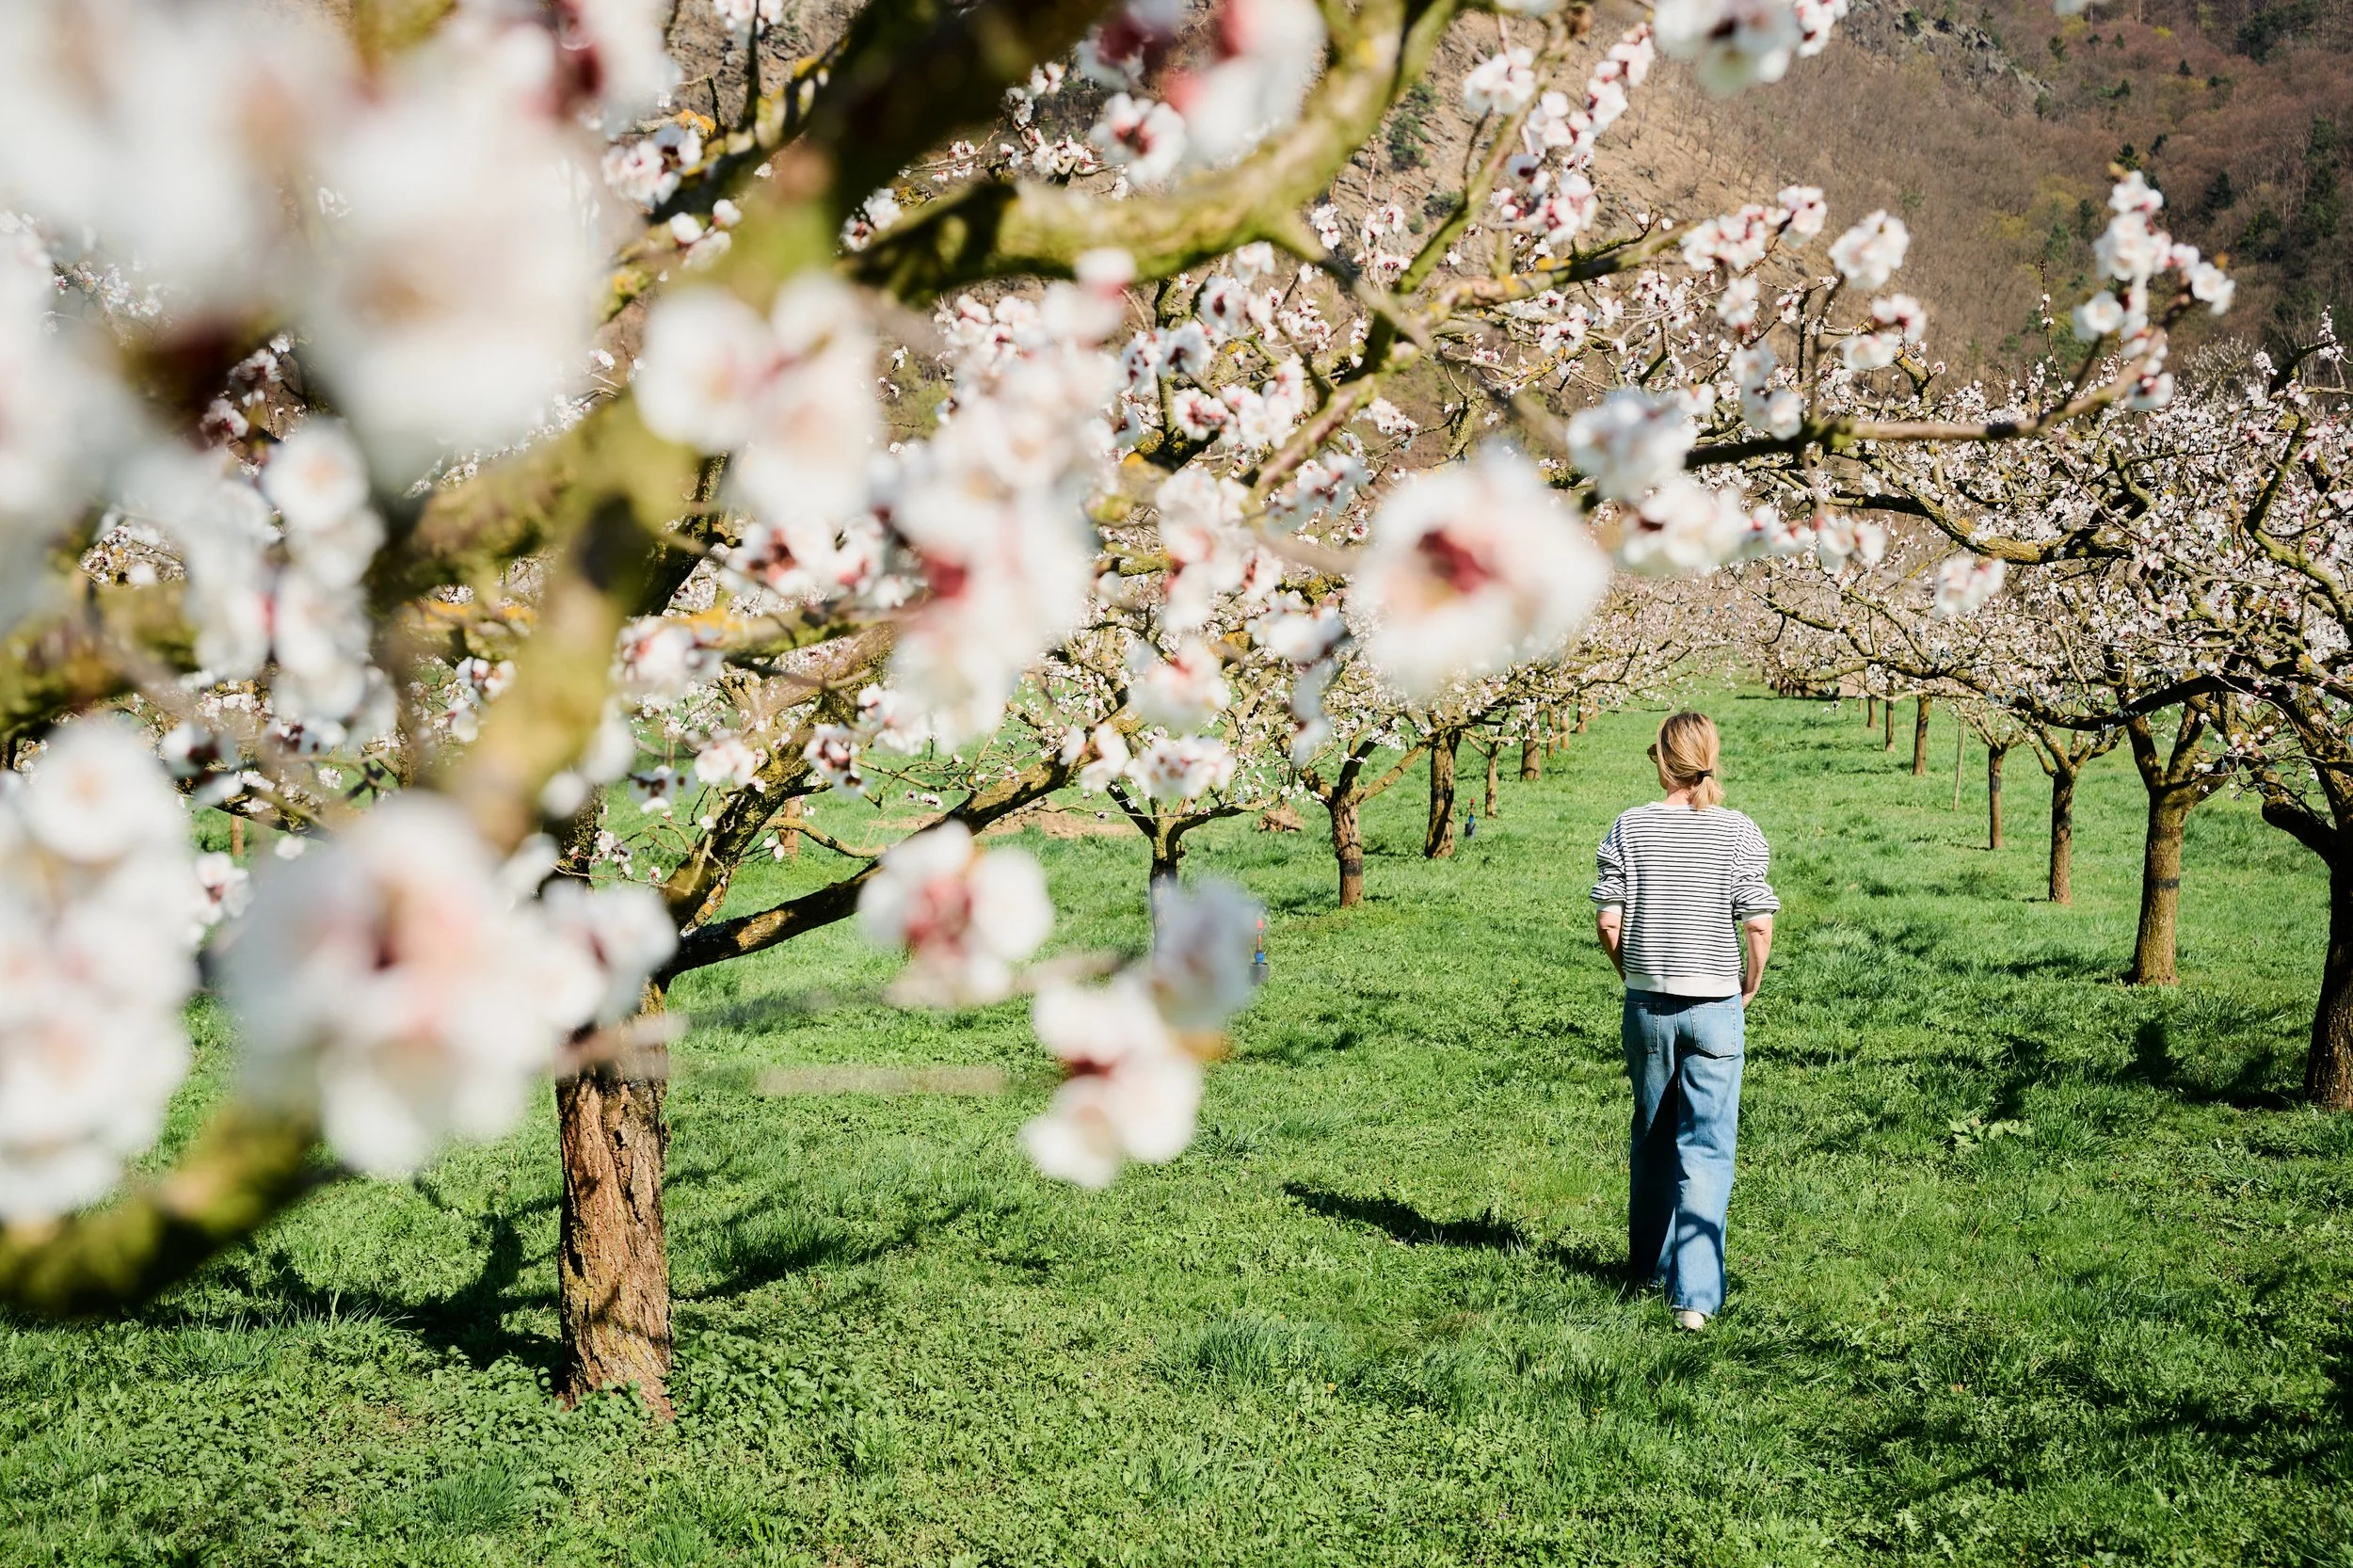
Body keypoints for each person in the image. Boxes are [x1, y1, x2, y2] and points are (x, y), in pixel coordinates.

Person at [1591, 712, 1777, 1331]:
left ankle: (1647, 1269)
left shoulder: (1629, 826)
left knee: (1651, 1137)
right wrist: (1749, 980)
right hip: (1715, 1006)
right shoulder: (1739, 831)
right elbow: (1757, 923)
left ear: (1663, 761)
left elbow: (1608, 922)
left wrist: (1632, 970)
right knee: (1707, 1148)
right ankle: (1694, 1298)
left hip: (1647, 1005)